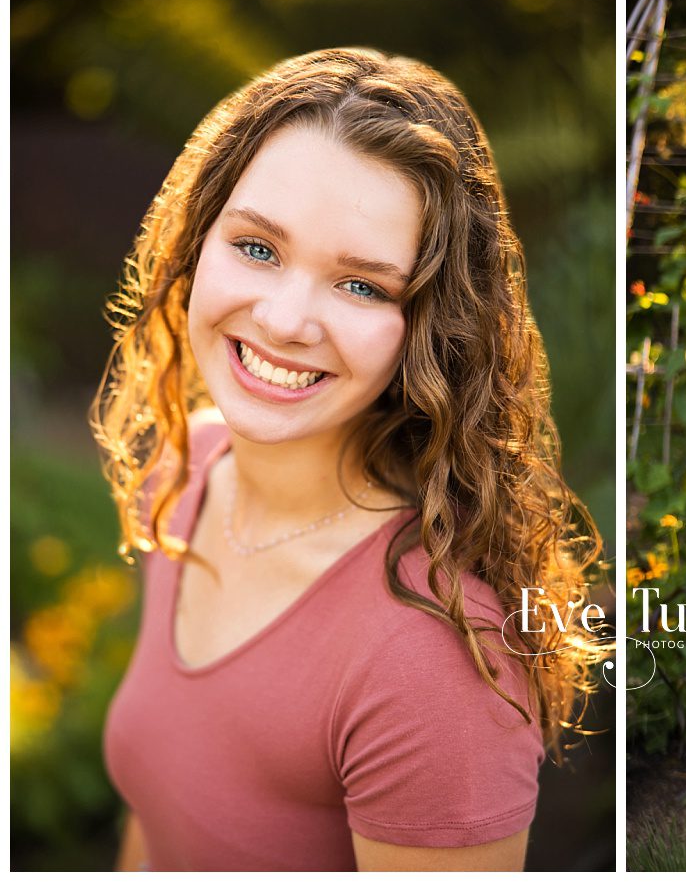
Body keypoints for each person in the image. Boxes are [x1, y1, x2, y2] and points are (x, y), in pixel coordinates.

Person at [89, 48, 602, 871]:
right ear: (197, 239)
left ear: (431, 330)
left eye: (362, 285)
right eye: (257, 247)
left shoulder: (431, 662)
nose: (287, 318)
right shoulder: (189, 468)